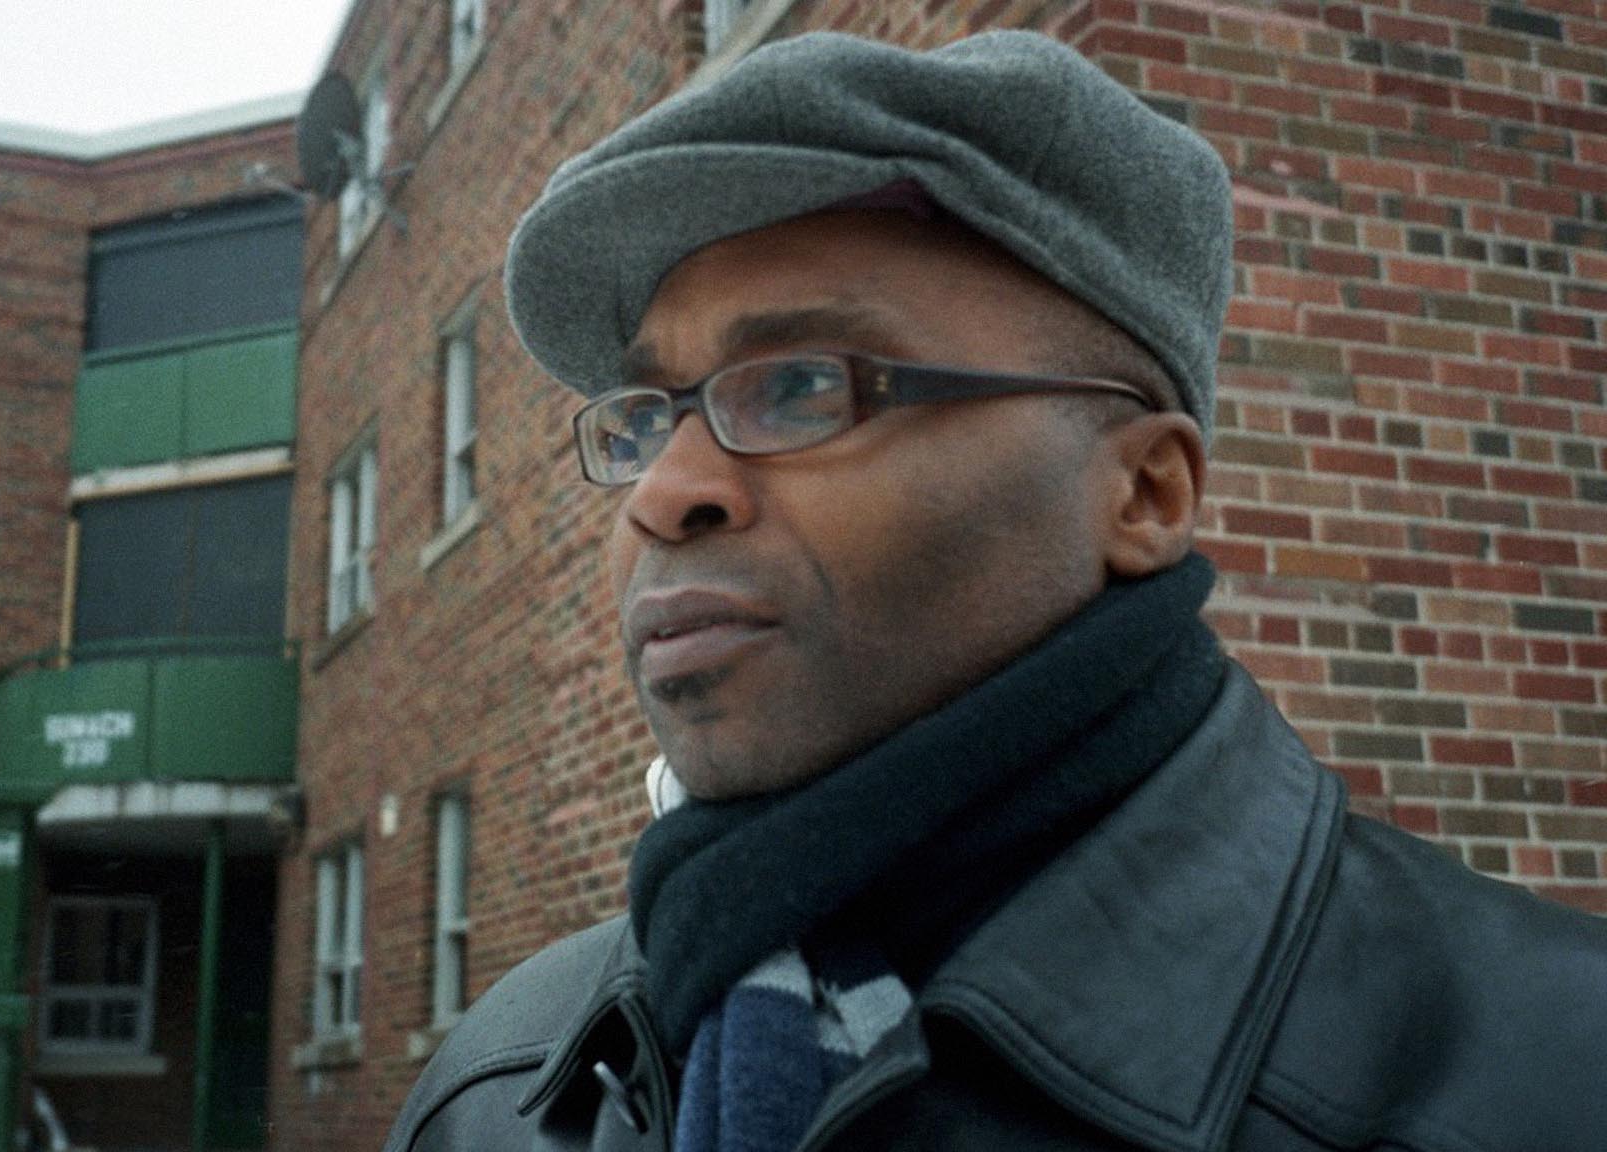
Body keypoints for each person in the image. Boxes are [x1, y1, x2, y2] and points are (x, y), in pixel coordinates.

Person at [383, 30, 1607, 1152]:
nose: (662, 494)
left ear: (1143, 495)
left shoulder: (1546, 1073)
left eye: (802, 387)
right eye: (647, 418)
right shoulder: (501, 1089)